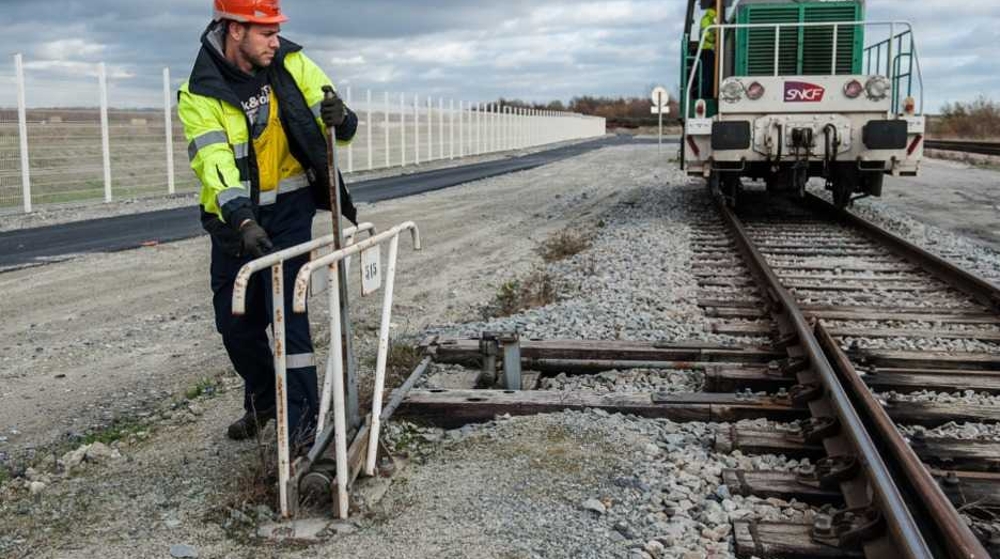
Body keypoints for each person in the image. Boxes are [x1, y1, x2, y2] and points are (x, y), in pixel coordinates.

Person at [178, 0, 358, 448]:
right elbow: (214, 161)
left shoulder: (292, 63)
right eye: (266, 32)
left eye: (277, 31)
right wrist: (240, 219)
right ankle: (263, 398)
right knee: (236, 323)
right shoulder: (199, 92)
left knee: (289, 317)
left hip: (291, 211)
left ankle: (302, 434)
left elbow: (335, 113)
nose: (276, 41)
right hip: (234, 221)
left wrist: (343, 119)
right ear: (235, 30)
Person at [699, 0, 718, 99]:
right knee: (708, 75)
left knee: (710, 75)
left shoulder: (712, 18)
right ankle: (705, 96)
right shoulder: (707, 19)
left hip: (710, 50)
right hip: (706, 50)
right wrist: (715, 35)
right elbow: (705, 34)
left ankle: (708, 93)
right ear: (715, 7)